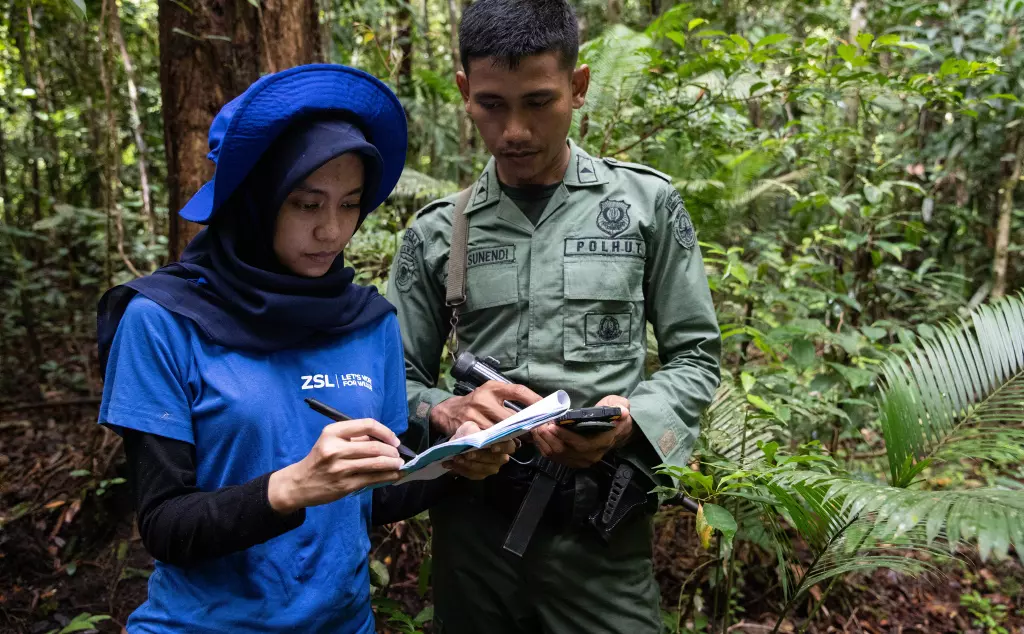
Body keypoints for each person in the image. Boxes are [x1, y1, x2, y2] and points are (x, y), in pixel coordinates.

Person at [96, 64, 514, 634]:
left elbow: (377, 494)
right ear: (255, 199)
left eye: (350, 204)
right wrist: (290, 487)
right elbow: (166, 527)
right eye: (307, 204)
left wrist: (456, 461)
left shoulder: (368, 323)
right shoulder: (163, 321)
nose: (333, 232)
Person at [385, 1, 723, 632]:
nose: (514, 130)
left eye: (538, 102)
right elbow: (385, 375)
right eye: (491, 105)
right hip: (473, 543)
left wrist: (630, 423)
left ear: (579, 87)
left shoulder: (646, 207)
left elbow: (697, 355)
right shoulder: (437, 233)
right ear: (463, 92)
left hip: (601, 542)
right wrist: (443, 411)